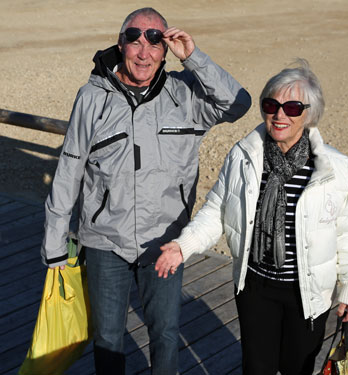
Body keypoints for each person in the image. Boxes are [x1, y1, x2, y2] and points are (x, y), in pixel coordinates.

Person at [41, 7, 251, 375]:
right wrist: (55, 246)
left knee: (165, 334)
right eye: (134, 40)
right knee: (107, 337)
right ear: (120, 44)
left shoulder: (185, 96)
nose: (143, 52)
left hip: (165, 240)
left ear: (165, 50)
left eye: (154, 41)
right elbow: (68, 171)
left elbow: (238, 103)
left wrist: (194, 57)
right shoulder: (92, 98)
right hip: (105, 240)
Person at [156, 59, 348, 375]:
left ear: (309, 114)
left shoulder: (338, 171)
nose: (280, 114)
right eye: (272, 104)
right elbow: (217, 209)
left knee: (296, 367)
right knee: (257, 367)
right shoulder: (245, 156)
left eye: (293, 107)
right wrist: (182, 246)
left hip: (308, 292)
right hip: (255, 286)